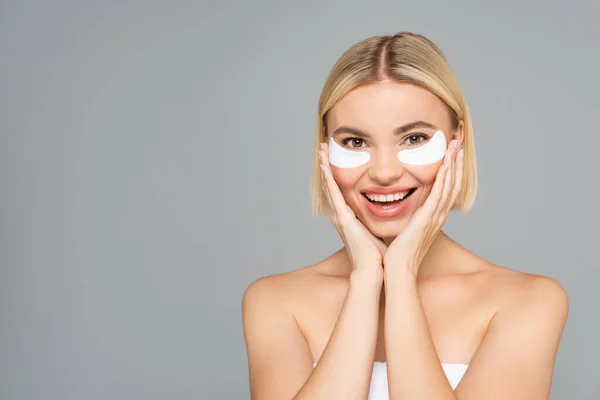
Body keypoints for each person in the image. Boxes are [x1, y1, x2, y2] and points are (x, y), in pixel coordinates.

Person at [241, 31, 569, 400]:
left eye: (413, 138)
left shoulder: (527, 302)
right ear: (324, 148)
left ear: (457, 140)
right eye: (355, 142)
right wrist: (366, 277)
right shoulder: (274, 302)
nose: (384, 172)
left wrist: (401, 275)